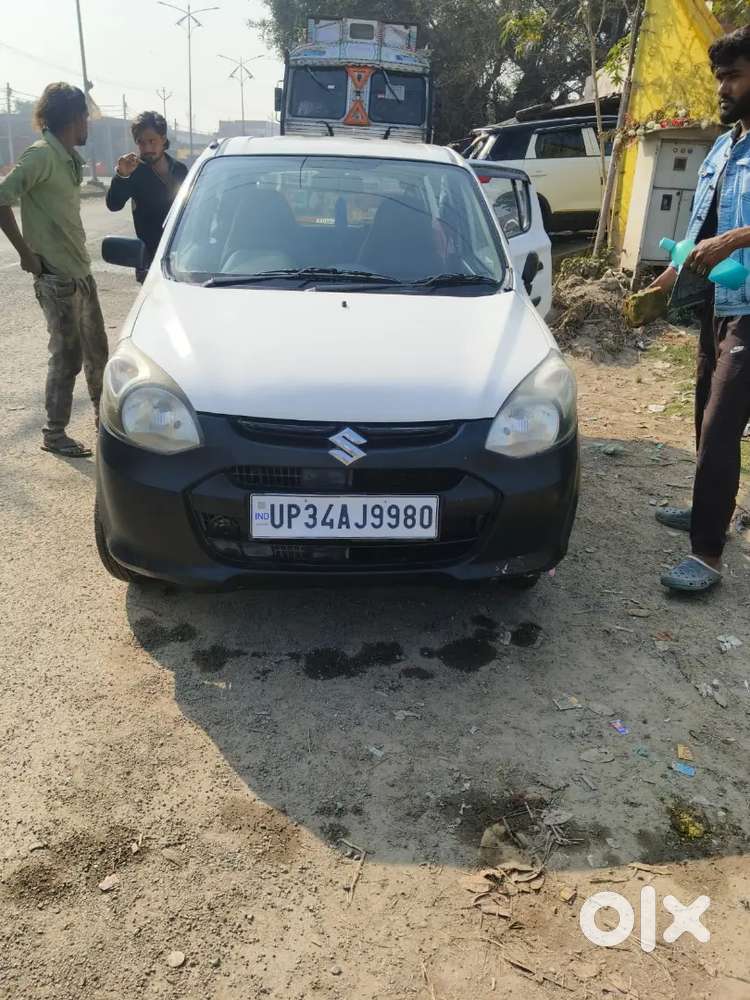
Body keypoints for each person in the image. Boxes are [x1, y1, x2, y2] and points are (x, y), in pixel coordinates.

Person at [650, 25, 750, 593]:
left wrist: (737, 239)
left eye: (733, 75)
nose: (723, 87)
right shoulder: (721, 146)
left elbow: (724, 236)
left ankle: (707, 553)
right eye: (720, 77)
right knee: (702, 412)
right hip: (717, 300)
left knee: (720, 426)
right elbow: (696, 234)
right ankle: (706, 509)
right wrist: (664, 281)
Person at [0, 82, 108, 458]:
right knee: (67, 358)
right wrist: (26, 255)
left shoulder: (64, 156)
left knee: (98, 354)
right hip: (58, 280)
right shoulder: (42, 155)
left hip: (80, 272)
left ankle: (104, 422)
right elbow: (2, 197)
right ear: (74, 118)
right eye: (85, 119)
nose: (88, 126)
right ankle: (55, 433)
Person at [106, 110, 187, 281]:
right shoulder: (134, 172)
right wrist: (122, 175)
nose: (147, 148)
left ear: (163, 140)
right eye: (141, 143)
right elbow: (114, 204)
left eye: (152, 141)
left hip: (182, 260)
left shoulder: (180, 170)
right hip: (149, 264)